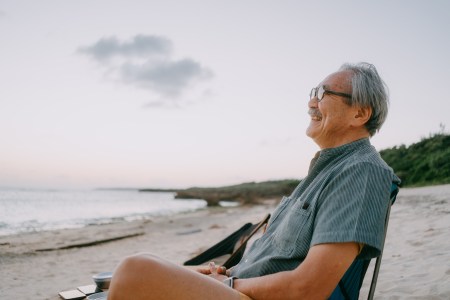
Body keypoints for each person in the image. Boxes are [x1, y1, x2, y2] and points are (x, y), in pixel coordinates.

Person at [108, 62, 400, 299]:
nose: (311, 101)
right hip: (242, 286)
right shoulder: (322, 174)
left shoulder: (362, 171)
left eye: (323, 93)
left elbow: (310, 288)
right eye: (313, 91)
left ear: (360, 113)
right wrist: (226, 275)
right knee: (145, 263)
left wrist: (230, 286)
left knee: (136, 270)